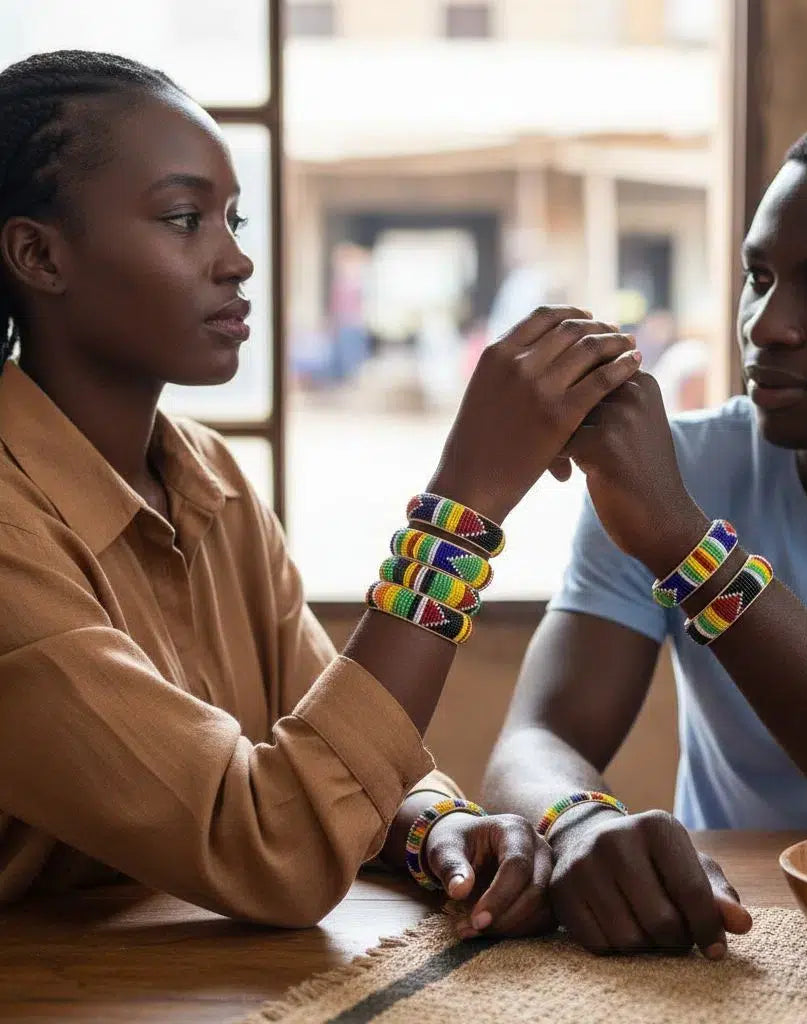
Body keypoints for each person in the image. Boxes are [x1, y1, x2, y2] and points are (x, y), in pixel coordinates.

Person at [0, 50, 642, 933]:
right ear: (39, 254)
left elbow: (332, 749)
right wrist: (464, 506)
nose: (236, 261)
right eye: (185, 219)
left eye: (234, 219)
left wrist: (433, 827)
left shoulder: (208, 480)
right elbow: (278, 843)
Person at [483, 101, 807, 959]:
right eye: (758, 275)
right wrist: (578, 819)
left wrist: (690, 550)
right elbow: (534, 742)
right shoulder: (684, 467)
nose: (764, 325)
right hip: (733, 938)